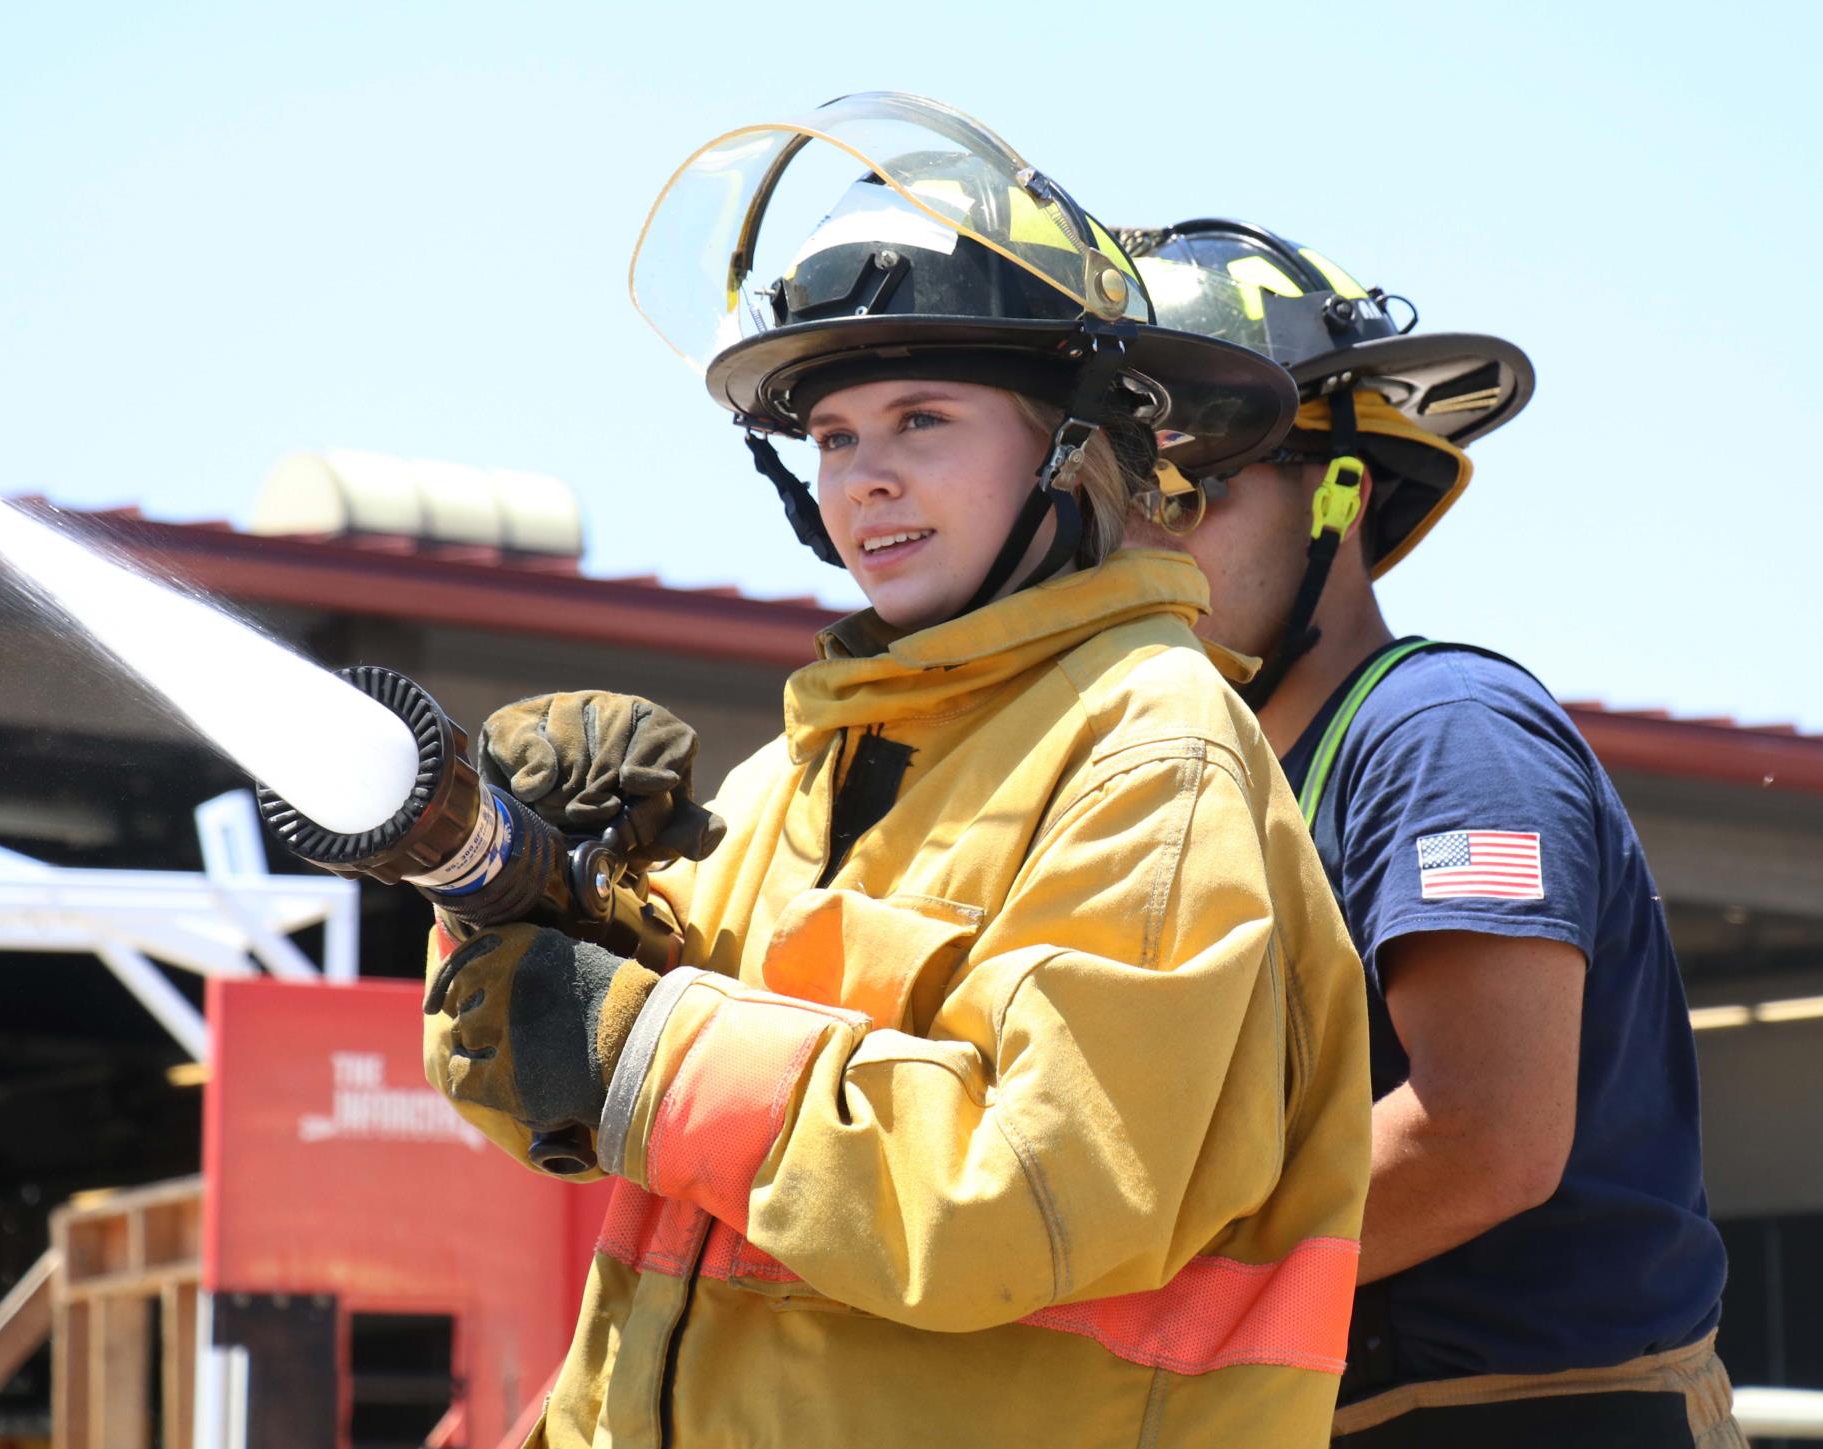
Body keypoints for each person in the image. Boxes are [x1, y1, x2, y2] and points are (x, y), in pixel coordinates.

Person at [421, 98, 1372, 1447]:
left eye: (922, 419)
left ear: (1067, 444)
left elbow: (1020, 1199)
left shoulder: (1148, 753)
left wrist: (632, 1040)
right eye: (834, 437)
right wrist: (503, 898)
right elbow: (554, 1101)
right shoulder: (793, 776)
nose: (863, 482)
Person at [1114, 217, 1741, 1447]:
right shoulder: (1238, 785)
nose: (1144, 540)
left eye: (1189, 489)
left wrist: (1145, 1303)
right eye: (1119, 500)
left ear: (1338, 496)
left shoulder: (1442, 731)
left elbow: (1481, 1137)